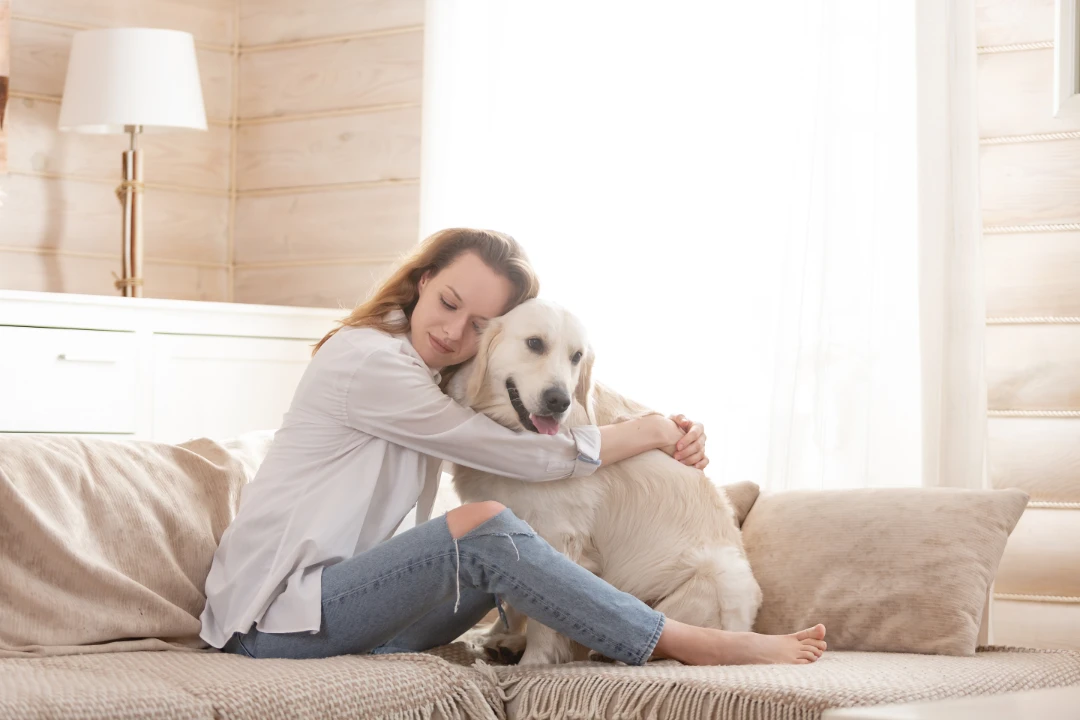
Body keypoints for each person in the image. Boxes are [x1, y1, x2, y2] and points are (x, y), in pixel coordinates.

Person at [200, 228, 826, 666]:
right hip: (273, 618)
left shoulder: (435, 371)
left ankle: (584, 637)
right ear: (421, 283)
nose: (453, 330)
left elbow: (560, 393)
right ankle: (687, 642)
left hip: (350, 608)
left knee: (510, 543)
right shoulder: (368, 362)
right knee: (484, 527)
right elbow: (523, 454)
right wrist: (653, 431)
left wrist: (669, 427)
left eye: (477, 326)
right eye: (447, 302)